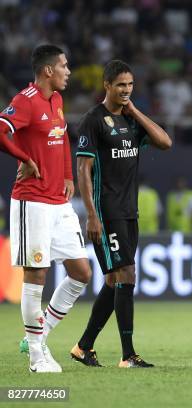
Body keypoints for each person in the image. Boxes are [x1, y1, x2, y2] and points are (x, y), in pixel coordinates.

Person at [71, 59, 172, 368]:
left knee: (116, 280)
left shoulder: (130, 120)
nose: (126, 90)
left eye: (130, 85)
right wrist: (91, 214)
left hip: (129, 211)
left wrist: (136, 112)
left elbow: (165, 142)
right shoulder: (94, 120)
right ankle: (128, 355)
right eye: (121, 85)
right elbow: (83, 168)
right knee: (126, 274)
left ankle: (83, 347)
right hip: (106, 210)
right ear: (107, 85)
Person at [0, 44, 92, 373]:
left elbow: (61, 135)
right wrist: (24, 158)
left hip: (58, 200)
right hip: (32, 201)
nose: (69, 71)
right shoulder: (25, 101)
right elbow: (1, 131)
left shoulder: (56, 100)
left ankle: (38, 335)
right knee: (36, 275)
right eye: (65, 66)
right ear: (49, 70)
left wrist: (68, 175)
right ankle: (37, 357)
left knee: (81, 272)